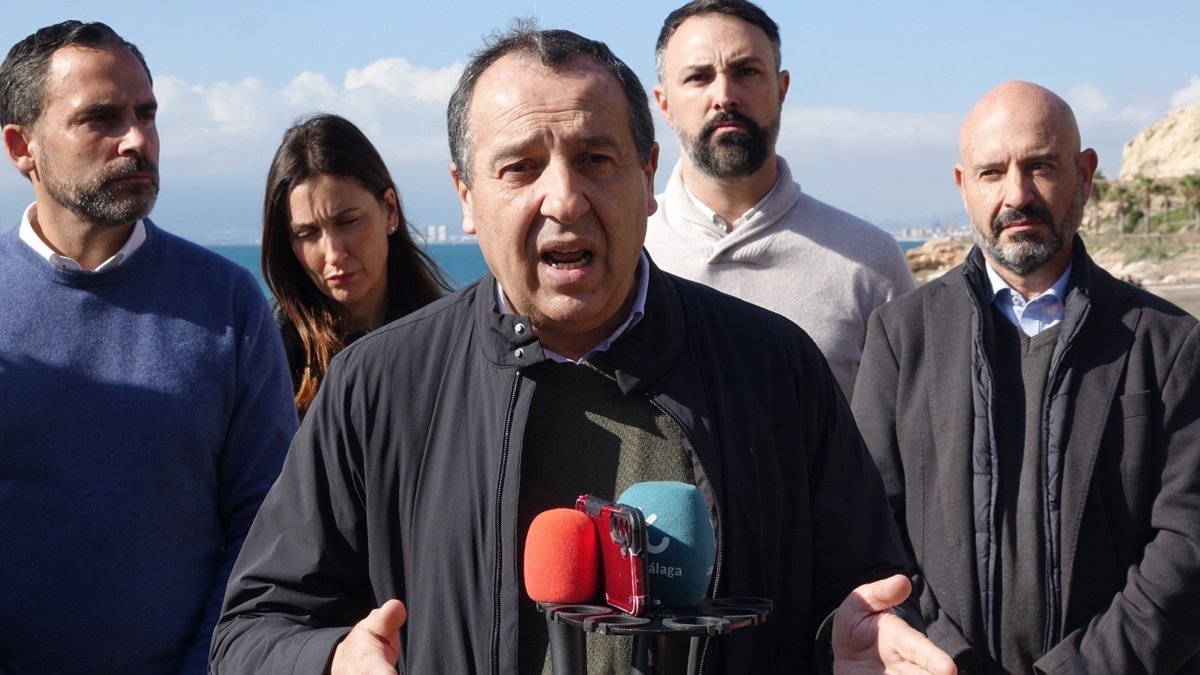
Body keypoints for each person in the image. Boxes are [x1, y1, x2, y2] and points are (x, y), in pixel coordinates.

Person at [210, 24, 954, 675]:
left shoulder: (775, 369)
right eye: (520, 167)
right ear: (465, 195)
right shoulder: (377, 387)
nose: (564, 198)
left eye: (596, 158)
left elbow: (867, 592)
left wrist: (860, 640)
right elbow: (255, 628)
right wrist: (333, 659)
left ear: (648, 176)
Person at [852, 81, 1200, 673]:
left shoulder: (1169, 343)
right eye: (992, 172)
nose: (1017, 194)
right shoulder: (901, 336)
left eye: (1040, 166)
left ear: (1084, 175)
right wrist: (946, 659)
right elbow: (868, 526)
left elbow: (1187, 545)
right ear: (963, 186)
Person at [0, 20, 297, 674]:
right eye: (101, 118)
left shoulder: (227, 302)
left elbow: (265, 522)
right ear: (22, 147)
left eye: (146, 113)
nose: (136, 139)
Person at [645, 0, 913, 398]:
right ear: (664, 104)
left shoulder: (870, 262)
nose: (725, 96)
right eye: (699, 77)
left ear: (781, 89)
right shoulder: (627, 249)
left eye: (746, 72)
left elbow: (908, 426)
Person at [262, 113, 450, 414]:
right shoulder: (265, 348)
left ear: (389, 210)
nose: (333, 253)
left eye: (347, 222)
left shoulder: (450, 341)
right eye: (308, 233)